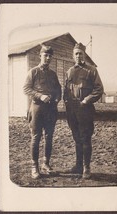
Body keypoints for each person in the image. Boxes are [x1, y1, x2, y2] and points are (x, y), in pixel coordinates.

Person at [64, 43, 103, 179]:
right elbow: (66, 90)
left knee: (85, 138)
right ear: (73, 55)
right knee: (76, 138)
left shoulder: (92, 70)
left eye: (80, 53)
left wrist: (87, 100)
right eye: (76, 53)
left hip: (85, 109)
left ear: (84, 55)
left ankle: (86, 167)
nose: (78, 56)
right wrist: (67, 104)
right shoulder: (69, 71)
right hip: (72, 111)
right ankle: (78, 165)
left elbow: (99, 89)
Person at [23, 45, 61, 179]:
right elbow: (26, 89)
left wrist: (56, 100)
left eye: (50, 56)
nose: (48, 58)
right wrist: (40, 96)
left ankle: (46, 163)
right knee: (36, 137)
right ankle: (34, 166)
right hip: (37, 108)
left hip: (51, 110)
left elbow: (58, 90)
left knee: (49, 136)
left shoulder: (53, 74)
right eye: (46, 55)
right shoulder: (33, 72)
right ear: (40, 56)